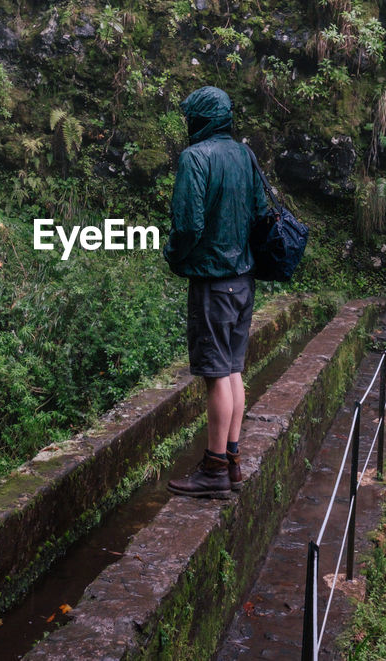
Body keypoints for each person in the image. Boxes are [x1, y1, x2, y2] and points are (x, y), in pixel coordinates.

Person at [164, 86, 268, 499]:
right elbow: (260, 212)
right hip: (244, 279)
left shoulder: (196, 158)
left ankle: (213, 469)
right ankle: (233, 460)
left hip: (213, 281)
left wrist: (174, 254)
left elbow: (188, 224)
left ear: (201, 118)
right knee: (234, 369)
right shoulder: (245, 154)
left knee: (216, 375)